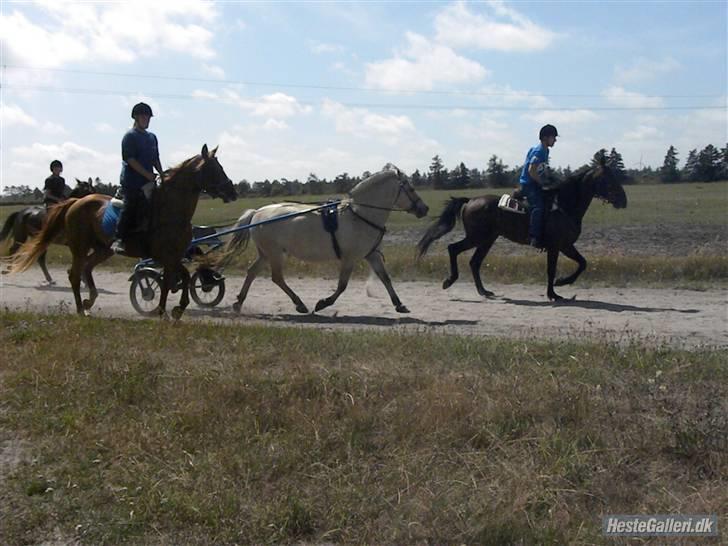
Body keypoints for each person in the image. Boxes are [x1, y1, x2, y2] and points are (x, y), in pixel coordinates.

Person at [111, 102, 164, 254]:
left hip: (148, 182)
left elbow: (155, 158)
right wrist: (147, 174)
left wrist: (161, 174)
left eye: (148, 117)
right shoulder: (129, 137)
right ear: (136, 117)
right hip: (132, 182)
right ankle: (119, 239)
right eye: (143, 116)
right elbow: (130, 159)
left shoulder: (152, 137)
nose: (146, 119)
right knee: (131, 205)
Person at [519, 124, 558, 249]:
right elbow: (531, 170)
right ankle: (534, 236)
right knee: (539, 206)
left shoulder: (545, 150)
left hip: (535, 183)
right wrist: (542, 183)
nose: (555, 140)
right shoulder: (539, 151)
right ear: (545, 138)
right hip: (529, 185)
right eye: (553, 137)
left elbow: (541, 169)